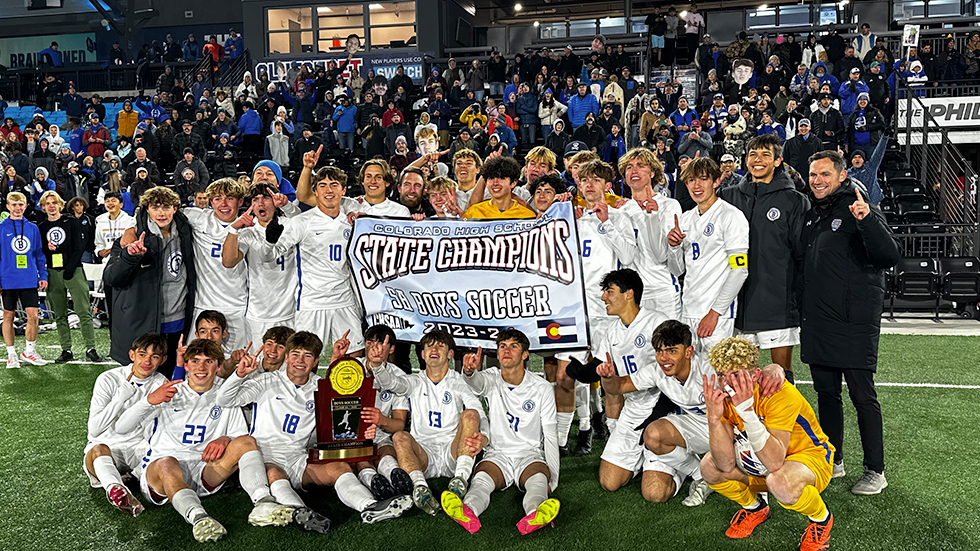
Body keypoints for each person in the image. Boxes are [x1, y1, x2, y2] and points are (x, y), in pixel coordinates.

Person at [216, 330, 411, 531]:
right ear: (287, 356)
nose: (300, 361)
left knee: (340, 467)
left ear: (316, 361)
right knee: (274, 474)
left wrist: (362, 433)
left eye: (307, 356)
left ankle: (369, 506)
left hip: (299, 457)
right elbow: (224, 400)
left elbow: (339, 424)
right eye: (295, 354)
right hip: (265, 456)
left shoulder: (320, 388)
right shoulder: (265, 381)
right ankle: (300, 512)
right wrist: (239, 375)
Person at [115, 339, 294, 542]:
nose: (201, 367)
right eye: (195, 361)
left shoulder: (225, 394)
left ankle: (263, 503)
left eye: (208, 361)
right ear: (186, 365)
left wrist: (226, 439)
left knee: (246, 442)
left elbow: (240, 435)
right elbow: (121, 428)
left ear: (218, 366)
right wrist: (149, 401)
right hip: (162, 474)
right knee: (167, 463)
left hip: (205, 470)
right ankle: (199, 518)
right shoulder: (168, 391)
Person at [803, 150, 900, 496]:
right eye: (813, 175)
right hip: (820, 321)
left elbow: (889, 255)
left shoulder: (859, 205)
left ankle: (875, 470)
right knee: (827, 395)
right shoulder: (814, 214)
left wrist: (868, 219)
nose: (817, 181)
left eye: (825, 174)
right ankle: (833, 460)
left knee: (862, 396)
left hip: (854, 321)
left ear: (842, 176)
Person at [701, 336, 835, 551]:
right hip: (765, 462)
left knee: (779, 481)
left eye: (735, 375)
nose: (727, 383)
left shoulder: (779, 393)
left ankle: (821, 519)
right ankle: (755, 508)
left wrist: (747, 413)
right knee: (709, 466)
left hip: (811, 458)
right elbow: (724, 464)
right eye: (721, 375)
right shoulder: (723, 400)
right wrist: (714, 420)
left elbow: (774, 463)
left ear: (755, 375)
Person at [445, 329, 560, 534]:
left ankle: (535, 513)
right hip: (497, 454)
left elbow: (551, 435)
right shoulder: (491, 377)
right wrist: (469, 372)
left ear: (525, 354)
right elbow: (476, 383)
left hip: (529, 454)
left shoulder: (541, 387)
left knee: (538, 482)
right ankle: (467, 510)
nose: (507, 351)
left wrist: (554, 478)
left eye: (513, 346)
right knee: (480, 482)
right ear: (497, 354)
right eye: (502, 346)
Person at [718, 134, 809, 382]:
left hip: (779, 300)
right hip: (738, 302)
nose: (758, 160)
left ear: (778, 161)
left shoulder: (794, 201)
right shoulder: (728, 196)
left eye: (765, 155)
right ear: (745, 160)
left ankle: (784, 410)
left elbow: (802, 254)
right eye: (753, 155)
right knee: (742, 377)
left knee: (781, 376)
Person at [369, 329, 488, 515]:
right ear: (423, 354)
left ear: (450, 354)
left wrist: (485, 438)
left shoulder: (458, 381)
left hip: (453, 451)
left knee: (471, 414)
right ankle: (420, 488)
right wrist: (377, 366)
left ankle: (460, 480)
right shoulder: (414, 381)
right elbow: (391, 383)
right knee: (399, 436)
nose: (434, 349)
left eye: (440, 346)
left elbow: (479, 413)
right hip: (423, 455)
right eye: (429, 346)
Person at [270, 162, 365, 355]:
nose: (328, 190)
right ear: (315, 191)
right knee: (304, 358)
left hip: (345, 300)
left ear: (343, 190)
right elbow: (274, 253)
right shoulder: (301, 222)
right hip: (312, 302)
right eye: (322, 185)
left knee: (354, 358)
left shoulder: (354, 222)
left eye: (334, 185)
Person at [104, 187, 196, 378]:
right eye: (155, 207)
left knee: (173, 380)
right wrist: (129, 256)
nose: (161, 213)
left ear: (175, 209)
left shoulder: (187, 234)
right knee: (141, 382)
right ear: (147, 210)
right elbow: (112, 278)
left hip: (178, 322)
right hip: (144, 323)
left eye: (166, 207)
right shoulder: (132, 239)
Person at [667, 157, 749, 357]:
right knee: (691, 372)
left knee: (717, 372)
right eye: (691, 180)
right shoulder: (685, 219)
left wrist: (714, 313)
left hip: (717, 315)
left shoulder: (730, 216)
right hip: (688, 310)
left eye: (703, 179)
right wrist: (674, 247)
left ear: (716, 181)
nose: (697, 185)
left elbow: (740, 270)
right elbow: (677, 270)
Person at [83, 333, 169, 516]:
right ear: (132, 355)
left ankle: (133, 477)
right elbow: (95, 429)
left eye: (154, 356)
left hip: (139, 449)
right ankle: (117, 490)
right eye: (142, 354)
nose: (147, 361)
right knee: (98, 449)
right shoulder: (108, 379)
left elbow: (155, 430)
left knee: (167, 453)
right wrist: (120, 397)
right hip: (107, 450)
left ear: (162, 360)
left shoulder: (161, 384)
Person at [222, 183, 299, 348]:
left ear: (275, 201)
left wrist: (287, 205)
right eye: (255, 199)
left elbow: (302, 218)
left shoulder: (290, 224)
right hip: (258, 313)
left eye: (266, 198)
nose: (260, 203)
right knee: (257, 361)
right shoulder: (248, 231)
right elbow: (228, 261)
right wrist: (233, 229)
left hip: (289, 312)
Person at [615, 148, 682, 318]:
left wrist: (653, 217)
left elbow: (662, 255)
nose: (634, 170)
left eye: (641, 165)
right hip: (632, 294)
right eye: (629, 167)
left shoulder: (669, 205)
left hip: (662, 291)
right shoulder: (621, 210)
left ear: (653, 172)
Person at [36, 191, 99, 363]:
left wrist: (70, 269)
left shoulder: (71, 222)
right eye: (47, 203)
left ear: (60, 204)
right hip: (53, 272)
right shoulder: (41, 227)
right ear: (43, 207)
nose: (51, 206)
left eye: (54, 202)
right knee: (60, 314)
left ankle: (91, 348)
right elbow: (40, 252)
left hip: (74, 271)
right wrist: (47, 249)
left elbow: (80, 247)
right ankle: (66, 350)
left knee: (84, 311)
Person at [0, 192, 48, 368]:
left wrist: (43, 275)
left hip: (28, 278)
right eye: (14, 205)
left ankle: (29, 351)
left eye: (21, 204)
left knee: (33, 316)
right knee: (8, 316)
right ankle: (11, 354)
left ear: (26, 206)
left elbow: (39, 254)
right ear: (8, 207)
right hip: (8, 279)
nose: (18, 208)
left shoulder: (33, 228)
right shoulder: (1, 228)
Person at [463, 156, 534, 219]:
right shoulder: (473, 212)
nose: (495, 183)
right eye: (491, 178)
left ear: (513, 183)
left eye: (502, 178)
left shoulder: (527, 216)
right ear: (486, 183)